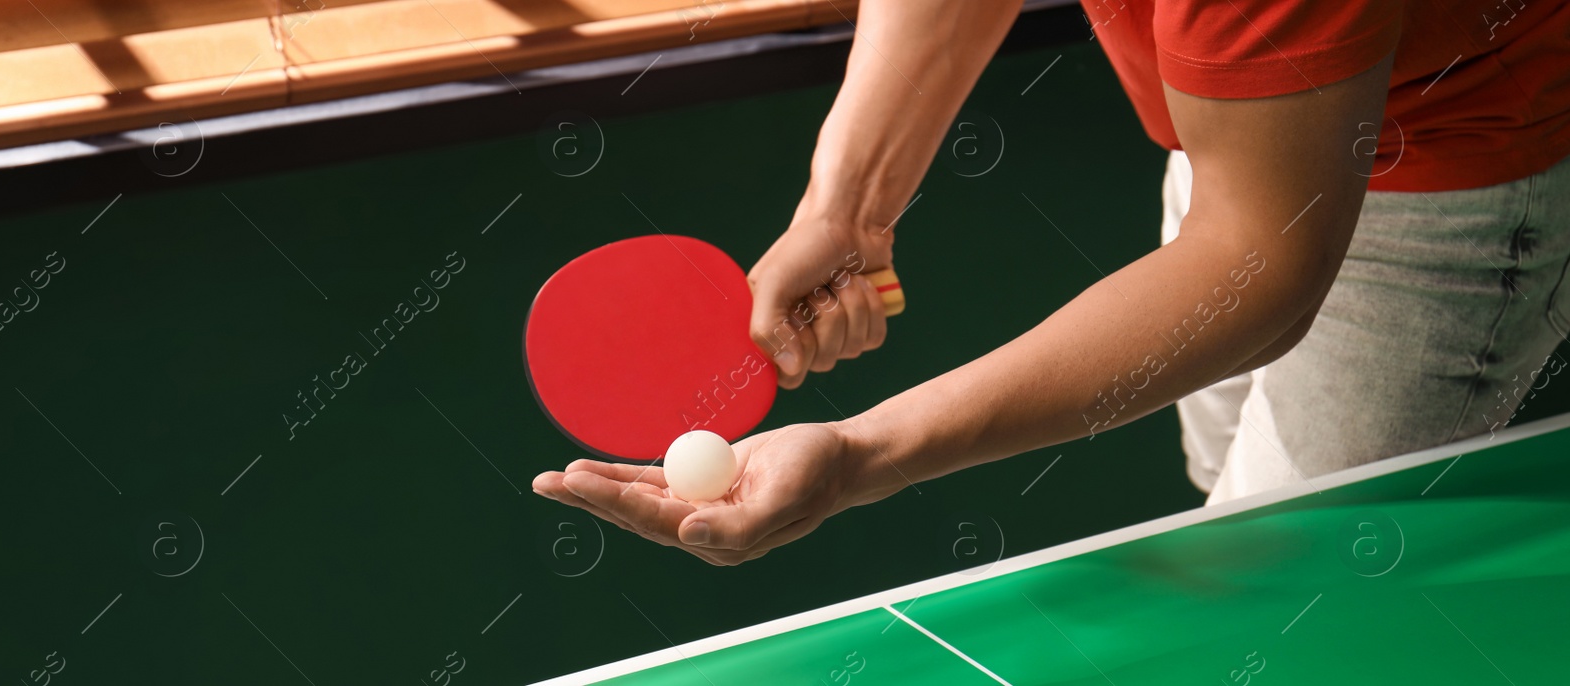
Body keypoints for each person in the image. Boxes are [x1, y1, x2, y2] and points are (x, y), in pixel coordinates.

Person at [534, 0, 1570, 566]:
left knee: (1294, 580)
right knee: (1233, 498)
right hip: (1243, 137)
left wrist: (862, 453)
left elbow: (1254, 266)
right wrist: (846, 206)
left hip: (1444, 162)